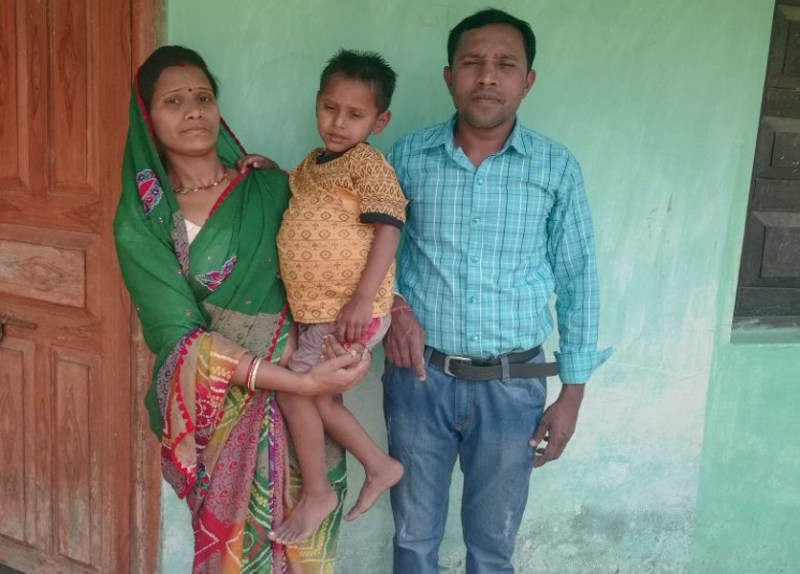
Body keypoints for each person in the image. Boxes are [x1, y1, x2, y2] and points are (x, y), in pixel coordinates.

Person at [114, 45, 371, 574]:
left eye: (203, 97)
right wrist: (292, 382)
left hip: (309, 414)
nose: (193, 110)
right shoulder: (142, 224)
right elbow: (179, 338)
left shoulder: (271, 188)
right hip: (223, 419)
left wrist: (358, 342)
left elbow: (333, 268)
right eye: (173, 101)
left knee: (308, 554)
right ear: (148, 118)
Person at [382, 8, 612, 574]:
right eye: (472, 63)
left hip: (514, 388)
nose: (487, 76)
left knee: (492, 546)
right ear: (448, 75)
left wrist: (572, 396)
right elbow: (370, 256)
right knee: (413, 537)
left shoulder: (555, 167)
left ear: (527, 80)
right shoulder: (407, 157)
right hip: (419, 379)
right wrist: (395, 306)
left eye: (505, 64)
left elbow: (579, 279)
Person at [242, 49, 407, 546]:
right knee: (322, 399)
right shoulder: (312, 165)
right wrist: (271, 169)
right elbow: (302, 196)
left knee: (298, 390)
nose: (339, 123)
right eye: (330, 108)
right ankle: (379, 466)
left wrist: (361, 299)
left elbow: (388, 231)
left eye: (356, 115)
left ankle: (319, 491)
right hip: (319, 313)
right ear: (317, 103)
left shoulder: (369, 165)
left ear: (380, 121)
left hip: (350, 311)